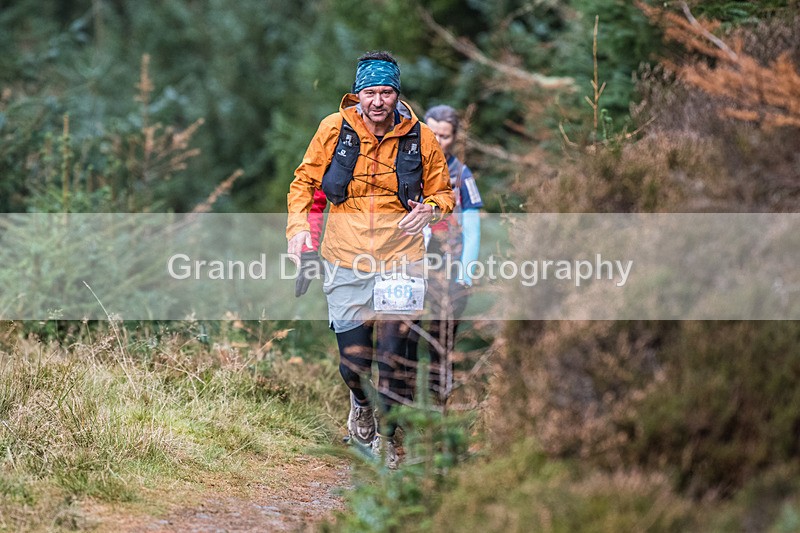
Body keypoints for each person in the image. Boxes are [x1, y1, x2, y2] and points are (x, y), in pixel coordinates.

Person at [286, 51, 454, 468]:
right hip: (345, 257)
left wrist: (431, 209)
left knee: (394, 357)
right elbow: (303, 183)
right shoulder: (333, 129)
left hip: (402, 259)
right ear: (357, 94)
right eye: (370, 92)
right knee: (354, 363)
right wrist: (297, 231)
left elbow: (444, 193)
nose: (378, 101)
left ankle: (387, 439)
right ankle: (360, 401)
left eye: (386, 92)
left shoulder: (422, 137)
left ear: (397, 94)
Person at [408, 104, 484, 404]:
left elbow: (473, 228)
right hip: (411, 266)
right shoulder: (408, 167)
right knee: (406, 336)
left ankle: (439, 408)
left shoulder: (461, 175)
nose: (438, 141)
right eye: (432, 133)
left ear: (454, 138)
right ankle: (404, 407)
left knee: (442, 340)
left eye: (445, 136)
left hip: (449, 268)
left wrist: (465, 275)